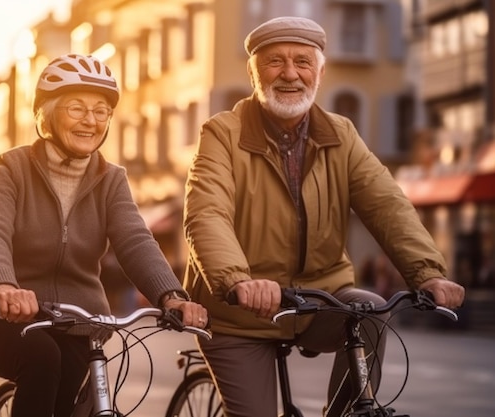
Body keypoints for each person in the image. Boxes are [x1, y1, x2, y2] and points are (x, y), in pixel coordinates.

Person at [182, 16, 465, 417]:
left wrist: (428, 273)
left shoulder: (341, 133)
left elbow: (386, 204)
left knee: (369, 309)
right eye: (275, 62)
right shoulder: (222, 133)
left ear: (320, 71)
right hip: (239, 312)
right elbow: (207, 212)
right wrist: (236, 280)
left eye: (302, 61)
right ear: (253, 72)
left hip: (318, 299)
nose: (290, 74)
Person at [0, 53, 208, 417]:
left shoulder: (111, 179)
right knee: (43, 359)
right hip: (6, 318)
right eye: (76, 108)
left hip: (79, 323)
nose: (90, 121)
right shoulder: (12, 167)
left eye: (101, 111)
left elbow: (135, 240)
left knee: (69, 401)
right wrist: (3, 287)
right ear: (45, 114)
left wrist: (171, 296)